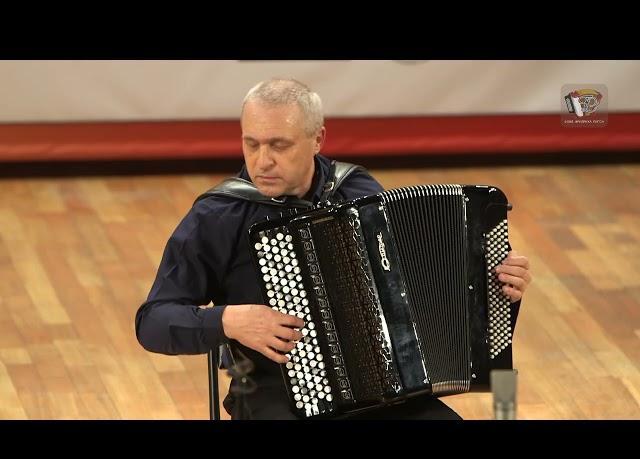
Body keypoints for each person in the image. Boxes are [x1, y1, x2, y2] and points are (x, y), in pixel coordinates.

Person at [135, 78, 532, 420]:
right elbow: (153, 321)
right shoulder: (218, 215)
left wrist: (495, 288)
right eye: (251, 144)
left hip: (384, 389)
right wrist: (227, 321)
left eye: (279, 145)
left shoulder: (358, 192)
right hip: (272, 392)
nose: (262, 161)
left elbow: (416, 302)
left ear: (317, 139)